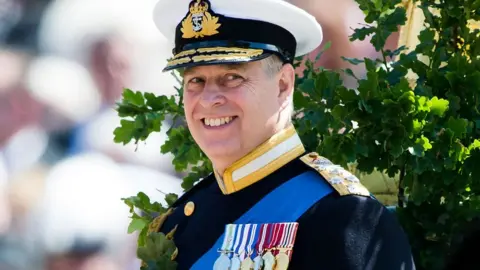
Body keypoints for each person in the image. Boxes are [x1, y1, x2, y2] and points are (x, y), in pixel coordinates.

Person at [146, 0, 416, 269]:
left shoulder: (342, 217)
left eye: (232, 77)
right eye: (196, 80)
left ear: (283, 85)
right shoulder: (177, 223)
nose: (208, 99)